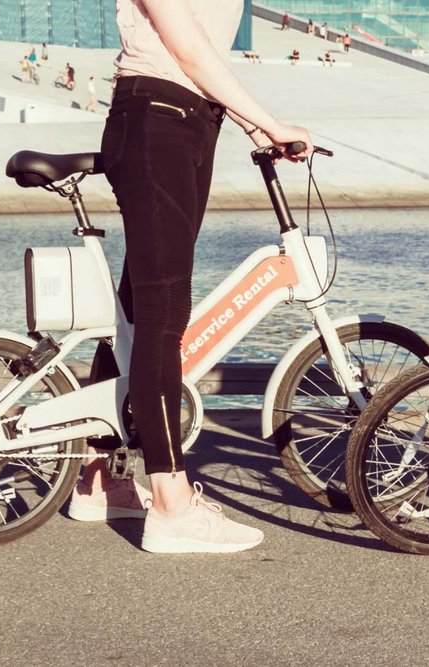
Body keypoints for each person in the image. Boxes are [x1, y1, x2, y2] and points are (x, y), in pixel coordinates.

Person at [70, 0, 313, 554]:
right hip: (157, 118)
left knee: (136, 308)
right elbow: (187, 49)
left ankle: (99, 477)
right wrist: (268, 123)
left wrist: (253, 127)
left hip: (188, 123)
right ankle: (171, 504)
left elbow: (202, 54)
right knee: (162, 314)